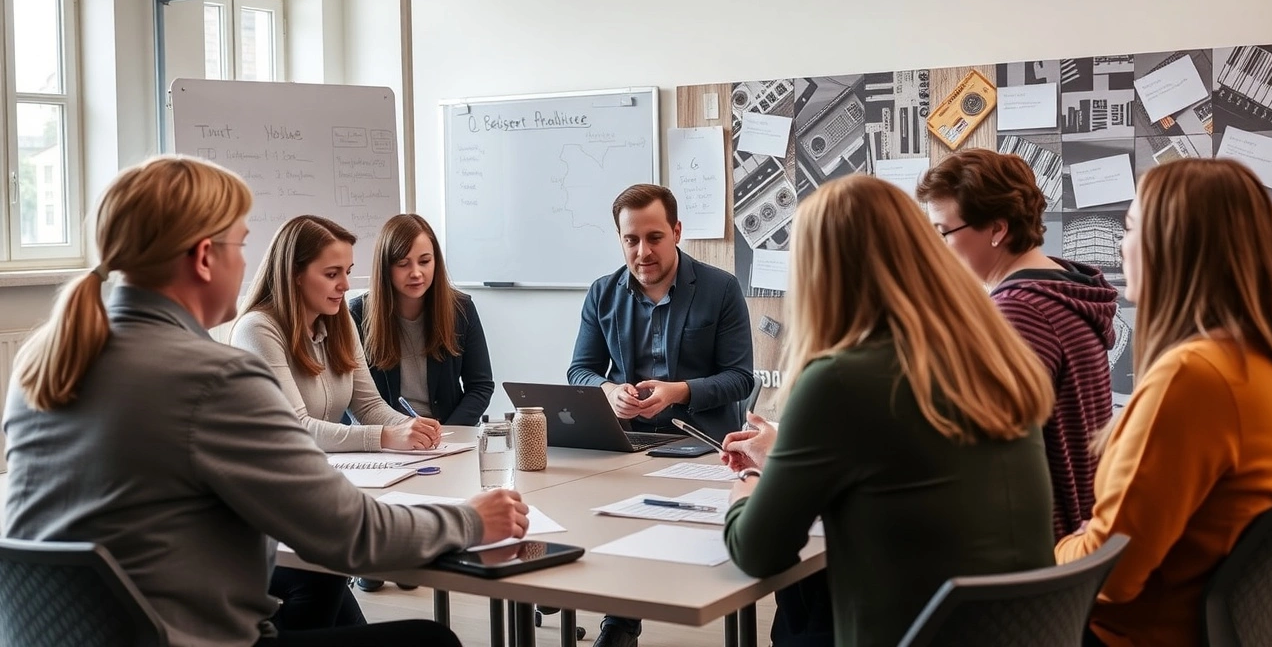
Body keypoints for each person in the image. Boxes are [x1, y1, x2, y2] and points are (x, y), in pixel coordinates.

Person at [2, 155, 530, 647]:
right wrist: (469, 519)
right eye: (240, 243)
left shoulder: (45, 362)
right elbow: (354, 535)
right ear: (206, 257)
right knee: (429, 640)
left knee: (330, 600)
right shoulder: (214, 377)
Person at [720, 174, 1056, 647]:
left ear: (818, 273)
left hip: (914, 633)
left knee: (799, 613)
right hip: (1021, 630)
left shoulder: (839, 379)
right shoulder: (993, 354)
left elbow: (757, 551)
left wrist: (750, 483)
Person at [1056, 158, 1272, 647]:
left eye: (1131, 227)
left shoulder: (1194, 376)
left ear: (1174, 247)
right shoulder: (1258, 366)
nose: (1120, 244)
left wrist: (1044, 553)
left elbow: (1107, 573)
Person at [230, 214, 449, 628]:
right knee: (330, 580)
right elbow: (296, 428)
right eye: (332, 274)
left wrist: (409, 428)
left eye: (347, 272)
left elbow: (369, 405)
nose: (346, 286)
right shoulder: (258, 330)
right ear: (294, 275)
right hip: (268, 520)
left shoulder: (338, 319)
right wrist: (385, 436)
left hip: (317, 492)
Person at [567, 183, 754, 647]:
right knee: (605, 518)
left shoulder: (720, 288)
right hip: (626, 440)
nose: (642, 251)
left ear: (676, 232)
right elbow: (579, 371)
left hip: (701, 443)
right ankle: (621, 620)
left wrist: (680, 391)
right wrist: (607, 390)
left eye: (654, 237)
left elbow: (740, 378)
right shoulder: (603, 293)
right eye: (631, 240)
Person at [917, 148, 1117, 541]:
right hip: (1076, 533)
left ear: (997, 229)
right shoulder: (1064, 285)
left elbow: (983, 452)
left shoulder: (1019, 311)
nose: (938, 249)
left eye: (944, 233)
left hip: (1040, 545)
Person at [349, 213, 494, 593]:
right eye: (404, 263)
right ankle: (386, 551)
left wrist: (441, 433)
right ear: (386, 268)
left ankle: (414, 551)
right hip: (386, 439)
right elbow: (354, 397)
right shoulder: (357, 314)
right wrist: (396, 434)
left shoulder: (461, 308)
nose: (416, 273)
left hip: (445, 436)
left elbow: (481, 385)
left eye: (425, 261)